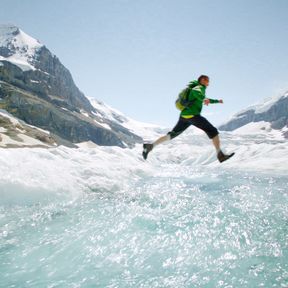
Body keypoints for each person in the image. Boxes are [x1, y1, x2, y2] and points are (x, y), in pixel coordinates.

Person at [142, 75, 234, 163]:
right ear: (202, 80)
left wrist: (217, 101)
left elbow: (204, 98)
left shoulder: (197, 90)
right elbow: (197, 92)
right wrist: (204, 98)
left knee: (172, 135)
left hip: (184, 116)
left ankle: (150, 146)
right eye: (206, 80)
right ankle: (220, 155)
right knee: (213, 131)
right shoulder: (199, 87)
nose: (208, 82)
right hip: (193, 116)